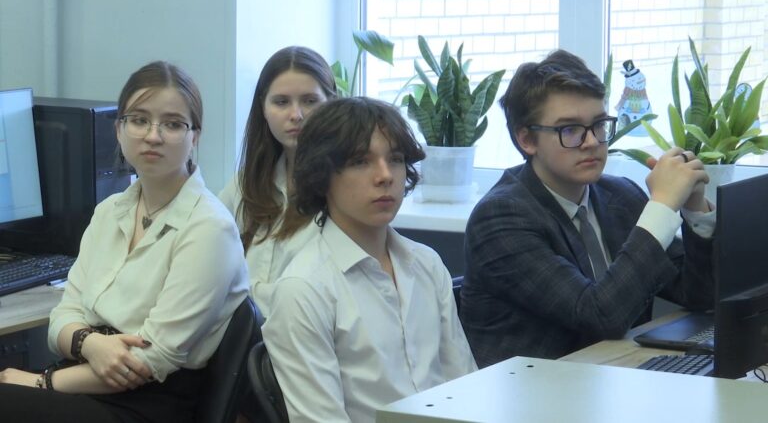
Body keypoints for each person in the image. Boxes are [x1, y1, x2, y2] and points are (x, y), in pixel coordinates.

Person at [0, 61, 249, 422]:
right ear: (119, 129)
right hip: (85, 377)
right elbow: (61, 319)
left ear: (195, 136)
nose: (153, 135)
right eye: (139, 120)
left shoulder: (209, 228)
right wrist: (91, 344)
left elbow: (152, 359)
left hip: (148, 402)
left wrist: (42, 382)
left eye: (173, 124)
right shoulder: (109, 212)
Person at [460, 50, 716, 367]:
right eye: (570, 129)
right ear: (527, 139)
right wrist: (662, 206)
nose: (592, 141)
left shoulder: (620, 195)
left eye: (599, 125)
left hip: (617, 376)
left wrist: (694, 207)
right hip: (537, 389)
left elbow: (700, 296)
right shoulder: (500, 218)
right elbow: (600, 316)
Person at [263, 97, 477, 423]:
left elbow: (466, 386)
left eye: (395, 159)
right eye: (360, 161)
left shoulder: (427, 264)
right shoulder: (303, 288)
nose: (385, 175)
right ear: (322, 175)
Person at [218, 46, 336, 316]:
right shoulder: (245, 184)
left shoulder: (344, 189)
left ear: (332, 104)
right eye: (281, 102)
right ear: (263, 107)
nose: (296, 115)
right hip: (243, 335)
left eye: (310, 101)